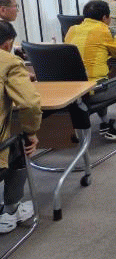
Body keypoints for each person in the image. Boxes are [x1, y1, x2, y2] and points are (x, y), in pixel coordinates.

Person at [65, 0, 116, 140]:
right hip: (92, 91)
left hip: (72, 90)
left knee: (102, 77)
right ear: (105, 17)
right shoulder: (105, 30)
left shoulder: (72, 30)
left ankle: (105, 122)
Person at [0, 21, 41, 233]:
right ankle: (10, 209)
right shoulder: (9, 61)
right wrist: (31, 133)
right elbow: (30, 104)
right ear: (8, 44)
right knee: (19, 143)